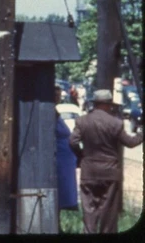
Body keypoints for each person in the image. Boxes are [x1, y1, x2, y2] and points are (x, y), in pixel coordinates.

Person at [68, 88, 144, 233]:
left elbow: (72, 141)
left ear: (94, 104)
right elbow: (131, 142)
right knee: (107, 213)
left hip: (89, 171)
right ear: (108, 104)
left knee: (89, 211)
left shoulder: (83, 121)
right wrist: (142, 134)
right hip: (110, 172)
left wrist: (81, 156)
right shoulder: (115, 123)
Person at [54, 86, 78, 225]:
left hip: (65, 160)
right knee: (60, 191)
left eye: (59, 96)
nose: (58, 98)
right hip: (60, 160)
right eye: (55, 95)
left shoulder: (56, 111)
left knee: (62, 192)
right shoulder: (50, 112)